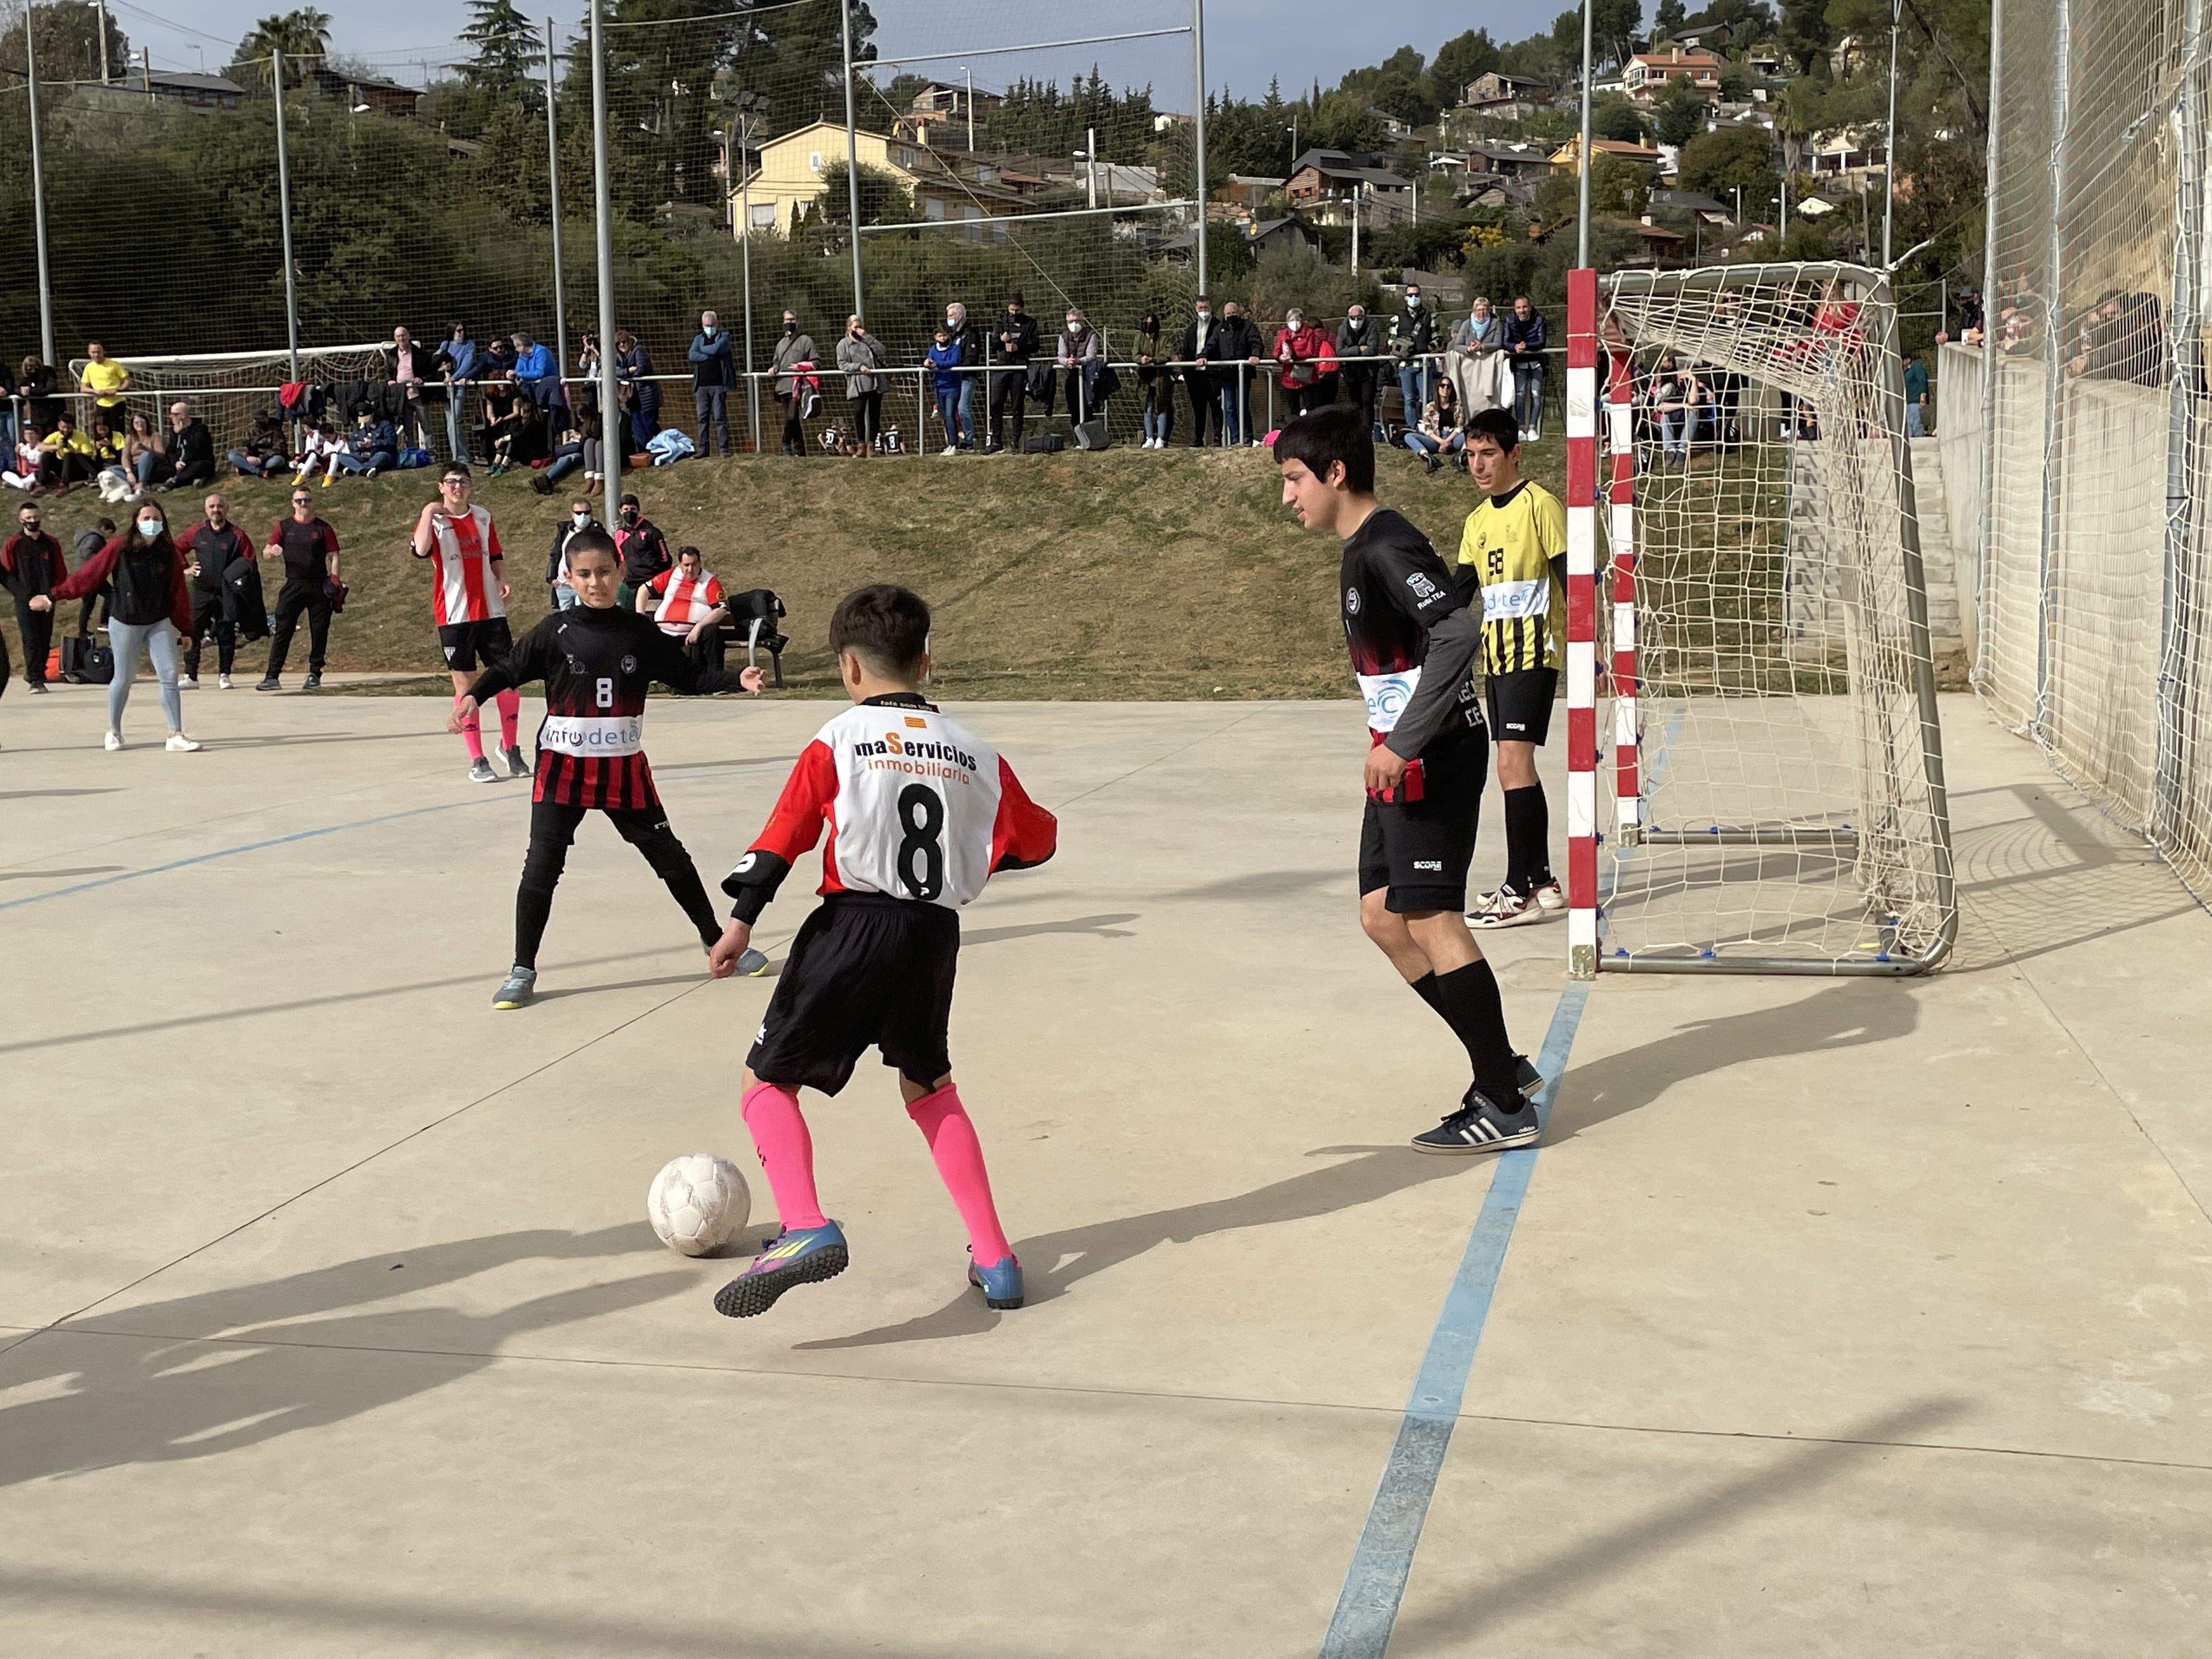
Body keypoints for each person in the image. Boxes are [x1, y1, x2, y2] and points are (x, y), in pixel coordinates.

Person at [706, 583, 1058, 1317]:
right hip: (933, 935)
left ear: (848, 667)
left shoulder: (839, 738)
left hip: (853, 924)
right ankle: (996, 1259)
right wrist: (971, 854)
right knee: (930, 1086)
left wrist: (741, 922)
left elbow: (783, 837)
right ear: (926, 662)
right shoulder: (975, 752)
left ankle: (804, 1225)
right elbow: (1037, 840)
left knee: (764, 1082)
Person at [1272, 404, 1540, 1153]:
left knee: (1431, 919)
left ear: (1335, 473)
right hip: (1400, 757)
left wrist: (1403, 741)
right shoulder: (1364, 547)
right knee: (1382, 917)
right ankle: (1503, 1067)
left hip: (1434, 755)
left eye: (1294, 479)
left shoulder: (1385, 545)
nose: (1287, 496)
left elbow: (1458, 631)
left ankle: (1505, 1103)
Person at [451, 527, 766, 1011]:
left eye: (603, 572)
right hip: (562, 772)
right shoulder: (553, 632)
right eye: (584, 574)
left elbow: (687, 676)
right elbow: (508, 669)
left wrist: (734, 679)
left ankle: (716, 940)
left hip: (623, 771)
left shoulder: (639, 632)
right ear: (569, 577)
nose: (595, 582)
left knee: (672, 860)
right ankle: (522, 969)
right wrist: (473, 696)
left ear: (620, 571)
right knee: (541, 869)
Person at [1455, 408, 1567, 929]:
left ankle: (1518, 890)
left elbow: (1573, 580)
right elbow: (1457, 595)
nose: (1479, 465)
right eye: (1471, 455)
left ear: (1514, 454)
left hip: (1534, 653)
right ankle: (1542, 879)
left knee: (1511, 765)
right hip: (1496, 658)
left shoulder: (1540, 505)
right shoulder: (1476, 522)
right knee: (1515, 767)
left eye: (1489, 454)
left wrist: (1591, 648)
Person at [31, 500, 202, 753]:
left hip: (159, 622)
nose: (151, 523)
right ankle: (114, 731)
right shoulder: (119, 547)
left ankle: (175, 734)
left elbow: (178, 592)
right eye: (146, 518)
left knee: (169, 676)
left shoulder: (169, 552)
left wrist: (186, 629)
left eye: (156, 518)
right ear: (136, 522)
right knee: (123, 678)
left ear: (164, 523)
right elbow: (88, 575)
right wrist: (52, 596)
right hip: (125, 623)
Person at [410, 462, 522, 782]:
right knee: (466, 686)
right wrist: (428, 511)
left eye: (463, 481)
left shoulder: (483, 516)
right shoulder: (434, 520)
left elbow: (495, 555)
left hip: (491, 612)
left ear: (470, 486)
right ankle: (477, 759)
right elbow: (420, 549)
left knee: (508, 680)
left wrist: (502, 578)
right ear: (441, 487)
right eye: (451, 482)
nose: (457, 487)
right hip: (454, 615)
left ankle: (510, 747)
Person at [256, 483, 341, 691]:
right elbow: (266, 551)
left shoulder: (323, 528)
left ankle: (315, 673)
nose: (304, 504)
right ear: (293, 503)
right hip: (293, 584)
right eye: (299, 500)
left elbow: (334, 555)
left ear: (312, 503)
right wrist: (272, 551)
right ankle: (272, 676)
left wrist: (335, 580)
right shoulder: (284, 527)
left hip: (319, 586)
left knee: (319, 631)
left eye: (307, 500)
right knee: (283, 630)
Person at [178, 490, 255, 689]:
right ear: (206, 509)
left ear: (227, 509)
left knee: (226, 633)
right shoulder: (197, 532)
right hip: (201, 592)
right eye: (212, 506)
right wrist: (185, 568)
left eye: (220, 506)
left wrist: (240, 584)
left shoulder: (237, 535)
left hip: (226, 594)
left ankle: (225, 675)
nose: (216, 510)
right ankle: (190, 676)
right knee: (191, 632)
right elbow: (175, 549)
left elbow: (249, 561)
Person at [1, 498, 67, 692]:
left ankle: (39, 672)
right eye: (28, 518)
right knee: (30, 638)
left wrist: (53, 596)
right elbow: (7, 574)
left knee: (45, 637)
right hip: (25, 600)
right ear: (21, 520)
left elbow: (60, 572)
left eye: (36, 517)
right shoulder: (14, 544)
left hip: (47, 599)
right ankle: (35, 679)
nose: (33, 521)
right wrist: (24, 596)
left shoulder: (51, 543)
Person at [637, 543, 729, 672]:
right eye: (686, 565)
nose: (690, 569)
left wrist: (699, 627)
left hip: (692, 634)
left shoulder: (710, 581)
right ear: (680, 564)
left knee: (713, 632)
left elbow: (721, 609)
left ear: (700, 563)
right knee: (640, 631)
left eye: (694, 564)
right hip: (663, 633)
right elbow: (643, 590)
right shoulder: (672, 575)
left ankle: (715, 675)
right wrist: (640, 617)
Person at [986, 293, 1037, 454]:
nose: (1014, 313)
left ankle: (1016, 441)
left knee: (1017, 406)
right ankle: (996, 441)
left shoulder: (1030, 323)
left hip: (1019, 368)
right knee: (996, 404)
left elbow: (1035, 345)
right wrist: (1001, 340)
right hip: (1002, 367)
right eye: (1011, 310)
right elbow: (994, 344)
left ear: (1022, 308)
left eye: (1017, 310)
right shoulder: (1000, 322)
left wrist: (1019, 347)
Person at [1272, 307, 1338, 420]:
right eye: (1291, 320)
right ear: (1287, 321)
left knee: (1310, 408)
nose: (1295, 323)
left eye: (1297, 320)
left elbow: (1310, 352)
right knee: (1293, 409)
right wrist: (1280, 357)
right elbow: (1276, 352)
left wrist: (1293, 355)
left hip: (1307, 377)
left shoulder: (1309, 333)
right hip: (1289, 377)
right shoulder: (1282, 334)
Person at [1215, 300, 1265, 445]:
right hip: (1227, 375)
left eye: (1233, 313)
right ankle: (1235, 439)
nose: (1231, 316)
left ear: (1239, 314)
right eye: (1228, 314)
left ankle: (1247, 437)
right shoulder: (1219, 329)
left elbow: (1256, 343)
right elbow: (1212, 345)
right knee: (1230, 408)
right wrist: (1203, 356)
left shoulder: (1247, 327)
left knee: (1242, 406)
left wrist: (1255, 355)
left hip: (1244, 374)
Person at [1447, 297, 1506, 415]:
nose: (1481, 313)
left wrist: (1483, 347)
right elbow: (1457, 345)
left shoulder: (1496, 324)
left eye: (1484, 309)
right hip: (1469, 371)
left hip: (1489, 369)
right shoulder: (1467, 324)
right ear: (1474, 311)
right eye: (1479, 310)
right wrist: (1469, 349)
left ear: (1488, 310)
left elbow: (1498, 343)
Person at [612, 492, 671, 612]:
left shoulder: (652, 532)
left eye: (633, 509)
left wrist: (657, 581)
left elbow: (665, 560)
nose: (629, 512)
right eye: (626, 509)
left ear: (638, 510)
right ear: (620, 511)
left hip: (651, 587)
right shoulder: (619, 534)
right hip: (630, 586)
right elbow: (619, 559)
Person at [837, 315, 887, 454]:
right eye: (856, 327)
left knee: (874, 415)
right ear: (849, 328)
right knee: (858, 412)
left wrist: (867, 337)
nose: (859, 330)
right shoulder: (843, 345)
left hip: (875, 382)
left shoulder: (867, 341)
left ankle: (871, 446)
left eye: (861, 327)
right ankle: (860, 445)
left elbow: (882, 350)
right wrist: (858, 366)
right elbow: (842, 364)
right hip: (857, 383)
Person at [688, 310, 735, 456]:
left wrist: (702, 351)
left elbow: (716, 349)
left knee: (720, 417)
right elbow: (692, 355)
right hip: (701, 386)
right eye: (706, 325)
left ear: (717, 324)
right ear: (702, 325)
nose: (709, 328)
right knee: (702, 418)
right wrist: (707, 357)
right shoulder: (699, 338)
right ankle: (703, 449)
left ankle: (723, 449)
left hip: (719, 385)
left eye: (711, 325)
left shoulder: (724, 337)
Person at [1502, 295, 1547, 443]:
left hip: (1536, 362)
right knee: (1520, 395)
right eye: (1519, 308)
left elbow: (1542, 341)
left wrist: (1526, 346)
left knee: (1536, 394)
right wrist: (1515, 347)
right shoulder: (1509, 320)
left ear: (1530, 307)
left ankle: (1532, 428)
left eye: (1525, 307)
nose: (1522, 310)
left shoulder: (1539, 319)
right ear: (1515, 309)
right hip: (1519, 363)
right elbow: (1505, 342)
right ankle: (1521, 428)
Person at [1390, 283, 1437, 426]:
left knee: (1427, 399)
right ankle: (1413, 427)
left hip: (1424, 364)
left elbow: (1438, 338)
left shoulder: (1430, 316)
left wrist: (1430, 347)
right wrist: (1402, 350)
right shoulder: (1397, 318)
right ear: (1406, 297)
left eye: (1416, 295)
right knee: (1409, 399)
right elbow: (1390, 342)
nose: (1414, 298)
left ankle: (1429, 427)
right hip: (1405, 366)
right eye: (1410, 295)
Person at [1180, 295, 1223, 447]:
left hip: (1213, 374)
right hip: (1194, 375)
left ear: (1210, 307)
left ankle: (1217, 438)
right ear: (1196, 309)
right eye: (1201, 308)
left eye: (1206, 308)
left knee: (1216, 407)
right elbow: (1186, 351)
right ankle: (1199, 438)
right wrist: (1185, 372)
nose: (1204, 311)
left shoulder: (1218, 326)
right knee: (1199, 408)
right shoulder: (1191, 329)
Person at [772, 311, 817, 456]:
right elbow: (776, 361)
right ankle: (800, 450)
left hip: (799, 386)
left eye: (792, 319)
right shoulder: (781, 344)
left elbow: (816, 362)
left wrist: (801, 367)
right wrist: (774, 368)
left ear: (797, 321)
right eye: (787, 320)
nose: (789, 322)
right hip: (783, 387)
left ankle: (786, 442)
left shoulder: (806, 341)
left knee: (792, 417)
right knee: (792, 420)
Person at [385, 326, 435, 453]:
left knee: (426, 426)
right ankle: (411, 454)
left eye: (403, 335)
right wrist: (389, 380)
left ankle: (431, 454)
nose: (401, 338)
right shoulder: (391, 355)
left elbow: (431, 372)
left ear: (408, 336)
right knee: (408, 429)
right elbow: (387, 372)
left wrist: (422, 379)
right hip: (402, 397)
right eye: (398, 336)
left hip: (418, 396)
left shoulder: (419, 353)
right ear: (395, 338)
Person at [548, 494, 601, 611]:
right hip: (563, 585)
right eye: (578, 513)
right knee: (566, 618)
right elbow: (556, 554)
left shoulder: (596, 532)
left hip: (584, 586)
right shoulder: (565, 531)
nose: (583, 516)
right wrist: (551, 577)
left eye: (586, 513)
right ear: (572, 514)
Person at [437, 323, 481, 460]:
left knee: (455, 419)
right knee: (450, 423)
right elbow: (437, 360)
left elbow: (467, 364)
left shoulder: (470, 345)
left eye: (463, 330)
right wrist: (442, 369)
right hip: (446, 386)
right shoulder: (446, 345)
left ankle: (463, 457)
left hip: (459, 385)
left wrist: (454, 378)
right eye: (458, 330)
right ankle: (456, 456)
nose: (461, 333)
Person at [1403, 380, 1468, 471]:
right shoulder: (1431, 406)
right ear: (1438, 388)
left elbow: (1460, 427)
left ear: (1452, 390)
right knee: (1408, 437)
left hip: (1453, 439)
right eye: (1443, 386)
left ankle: (1460, 457)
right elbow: (1428, 429)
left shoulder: (1458, 405)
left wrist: (1447, 442)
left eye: (1448, 387)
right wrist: (1441, 441)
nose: (1445, 389)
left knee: (1470, 433)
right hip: (1436, 440)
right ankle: (1428, 458)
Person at [1338, 304, 1383, 433]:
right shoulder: (1343, 329)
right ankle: (1357, 432)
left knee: (1367, 402)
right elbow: (1339, 352)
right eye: (1353, 317)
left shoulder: (1371, 328)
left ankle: (1367, 432)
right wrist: (1358, 349)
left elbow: (1372, 350)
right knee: (1355, 404)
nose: (1356, 320)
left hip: (1368, 372)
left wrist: (1349, 350)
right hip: (1351, 373)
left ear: (1364, 317)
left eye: (1359, 317)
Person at [613, 330, 661, 455]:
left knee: (649, 425)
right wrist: (628, 371)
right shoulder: (620, 357)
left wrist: (626, 373)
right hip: (633, 399)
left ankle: (660, 450)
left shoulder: (639, 350)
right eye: (618, 344)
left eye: (624, 342)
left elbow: (641, 370)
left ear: (629, 341)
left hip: (646, 397)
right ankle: (644, 454)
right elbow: (614, 372)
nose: (621, 345)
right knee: (638, 428)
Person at [1057, 308, 1103, 426]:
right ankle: (1077, 433)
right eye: (1071, 321)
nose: (1074, 324)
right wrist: (1068, 361)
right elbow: (1061, 357)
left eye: (1076, 321)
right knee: (1073, 408)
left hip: (1088, 377)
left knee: (1088, 407)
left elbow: (1091, 356)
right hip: (1071, 377)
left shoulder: (1091, 335)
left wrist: (1078, 361)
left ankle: (1090, 433)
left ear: (1082, 321)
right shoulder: (1063, 337)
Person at [1135, 311, 1174, 449]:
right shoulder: (1139, 338)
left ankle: (1161, 438)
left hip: (1161, 378)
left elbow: (1166, 354)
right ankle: (1149, 437)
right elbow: (1135, 354)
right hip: (1145, 379)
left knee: (1162, 407)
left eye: (1151, 323)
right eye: (1146, 324)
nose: (1148, 326)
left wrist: (1152, 359)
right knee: (1148, 407)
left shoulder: (1164, 339)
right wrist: (1141, 359)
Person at [942, 301, 978, 450]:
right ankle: (953, 442)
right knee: (950, 411)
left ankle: (969, 441)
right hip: (952, 379)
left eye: (951, 316)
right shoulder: (952, 336)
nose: (949, 319)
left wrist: (956, 367)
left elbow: (971, 357)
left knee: (963, 408)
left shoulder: (970, 335)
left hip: (966, 377)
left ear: (960, 316)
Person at [159, 400, 216, 492]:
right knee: (158, 468)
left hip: (195, 463)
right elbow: (171, 451)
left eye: (174, 414)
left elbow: (197, 447)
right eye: (171, 414)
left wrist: (182, 432)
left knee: (201, 466)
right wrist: (176, 462)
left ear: (183, 415)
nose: (171, 417)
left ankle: (173, 482)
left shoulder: (200, 429)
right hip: (179, 465)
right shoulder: (174, 430)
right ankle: (187, 480)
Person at [927, 325, 965, 455]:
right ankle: (950, 444)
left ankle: (954, 444)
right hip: (939, 386)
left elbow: (953, 362)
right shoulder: (933, 349)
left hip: (952, 387)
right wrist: (928, 363)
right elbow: (930, 360)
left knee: (950, 415)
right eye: (940, 336)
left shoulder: (955, 348)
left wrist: (938, 365)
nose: (942, 338)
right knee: (944, 417)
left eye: (944, 335)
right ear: (935, 337)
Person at [77, 341, 131, 435]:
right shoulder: (89, 368)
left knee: (117, 432)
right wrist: (95, 391)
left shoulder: (114, 364)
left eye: (99, 352)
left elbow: (127, 381)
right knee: (102, 431)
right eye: (94, 352)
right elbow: (83, 388)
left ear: (103, 352)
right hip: (101, 404)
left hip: (117, 403)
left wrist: (118, 390)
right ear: (89, 353)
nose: (96, 355)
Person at [330, 406, 398, 479]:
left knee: (382, 456)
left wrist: (373, 443)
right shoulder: (359, 427)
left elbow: (391, 442)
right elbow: (351, 443)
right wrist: (357, 445)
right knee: (340, 457)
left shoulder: (385, 425)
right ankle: (364, 470)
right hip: (363, 455)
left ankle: (356, 468)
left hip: (379, 454)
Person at [227, 408, 287, 478]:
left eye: (261, 419)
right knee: (232, 455)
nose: (258, 421)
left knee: (278, 460)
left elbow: (279, 449)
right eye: (256, 419)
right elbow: (245, 446)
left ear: (266, 418)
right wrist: (247, 456)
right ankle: (258, 472)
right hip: (254, 459)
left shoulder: (275, 431)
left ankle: (246, 468)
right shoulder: (251, 431)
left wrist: (261, 459)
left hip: (268, 459)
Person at [1904, 351, 1930, 438]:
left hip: (1915, 401)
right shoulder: (1906, 371)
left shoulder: (1916, 368)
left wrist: (1923, 398)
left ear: (1907, 360)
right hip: (1908, 402)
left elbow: (1922, 382)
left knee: (1916, 424)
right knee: (1909, 425)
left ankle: (1919, 440)